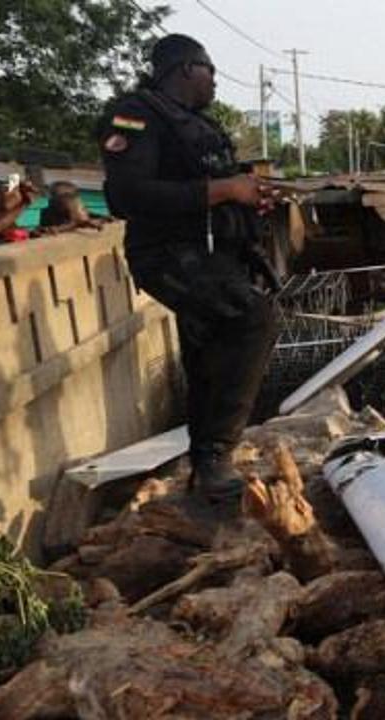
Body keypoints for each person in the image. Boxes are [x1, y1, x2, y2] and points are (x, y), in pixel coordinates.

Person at [100, 34, 279, 502]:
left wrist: (248, 197)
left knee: (208, 355)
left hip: (214, 254)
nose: (215, 81)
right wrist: (225, 191)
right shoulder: (135, 115)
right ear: (185, 69)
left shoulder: (197, 125)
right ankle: (217, 454)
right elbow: (126, 195)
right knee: (252, 320)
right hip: (168, 255)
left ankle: (207, 469)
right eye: (210, 70)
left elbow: (213, 185)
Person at [36, 181, 106, 235]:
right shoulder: (48, 213)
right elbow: (53, 230)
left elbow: (89, 215)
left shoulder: (76, 208)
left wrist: (104, 218)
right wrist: (77, 223)